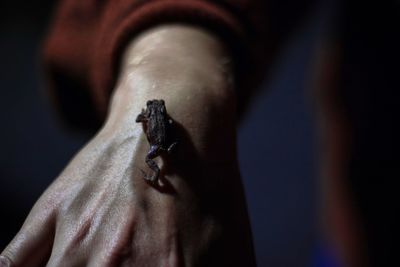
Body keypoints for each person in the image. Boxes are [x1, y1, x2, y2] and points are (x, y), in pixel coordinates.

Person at [1, 0, 399, 266]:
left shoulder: (154, 122)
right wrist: (174, 60)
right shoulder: (154, 119)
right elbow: (158, 118)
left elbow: (158, 123)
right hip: (356, 206)